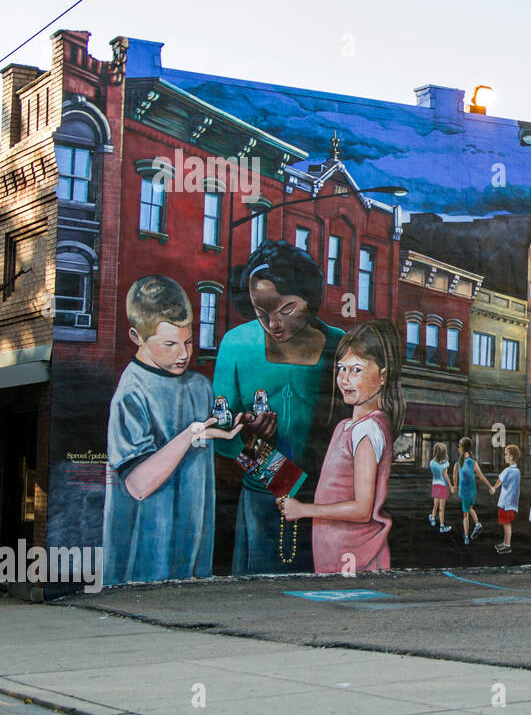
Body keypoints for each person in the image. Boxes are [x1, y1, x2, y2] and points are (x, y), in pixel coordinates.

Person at [102, 277, 244, 585]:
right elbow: (138, 485)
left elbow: (225, 448)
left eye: (188, 341)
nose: (183, 354)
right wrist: (192, 435)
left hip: (194, 560)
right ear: (136, 336)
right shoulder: (131, 393)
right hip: (143, 565)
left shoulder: (199, 387)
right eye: (169, 344)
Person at [213, 240, 343, 575]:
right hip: (263, 501)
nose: (274, 324)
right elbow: (221, 436)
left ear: (310, 301)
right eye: (261, 313)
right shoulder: (236, 345)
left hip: (328, 501)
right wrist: (255, 443)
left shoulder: (340, 345)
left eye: (286, 310)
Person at [279, 320, 404, 574]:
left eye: (356, 369)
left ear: (382, 376)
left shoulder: (367, 430)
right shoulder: (346, 426)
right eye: (341, 369)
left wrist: (303, 510)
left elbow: (362, 509)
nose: (345, 379)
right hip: (336, 551)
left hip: (356, 555)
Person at [452, 437, 492, 545]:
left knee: (465, 514)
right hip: (472, 490)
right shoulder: (473, 462)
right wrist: (490, 486)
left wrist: (455, 486)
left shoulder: (459, 462)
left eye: (459, 446)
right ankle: (477, 524)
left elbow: (455, 475)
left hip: (464, 491)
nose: (458, 449)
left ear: (463, 448)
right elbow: (481, 476)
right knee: (470, 508)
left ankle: (466, 536)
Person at [492, 444, 522, 554]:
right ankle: (505, 543)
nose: (504, 456)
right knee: (506, 523)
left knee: (506, 524)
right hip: (512, 503)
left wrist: (493, 488)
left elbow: (499, 481)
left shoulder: (508, 470)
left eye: (506, 454)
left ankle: (507, 545)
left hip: (505, 503)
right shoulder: (517, 471)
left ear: (511, 457)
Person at [428, 441, 451, 533]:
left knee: (435, 506)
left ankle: (432, 519)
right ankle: (442, 526)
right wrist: (450, 484)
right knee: (441, 508)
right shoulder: (446, 464)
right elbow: (445, 475)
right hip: (443, 486)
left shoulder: (432, 463)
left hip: (435, 485)